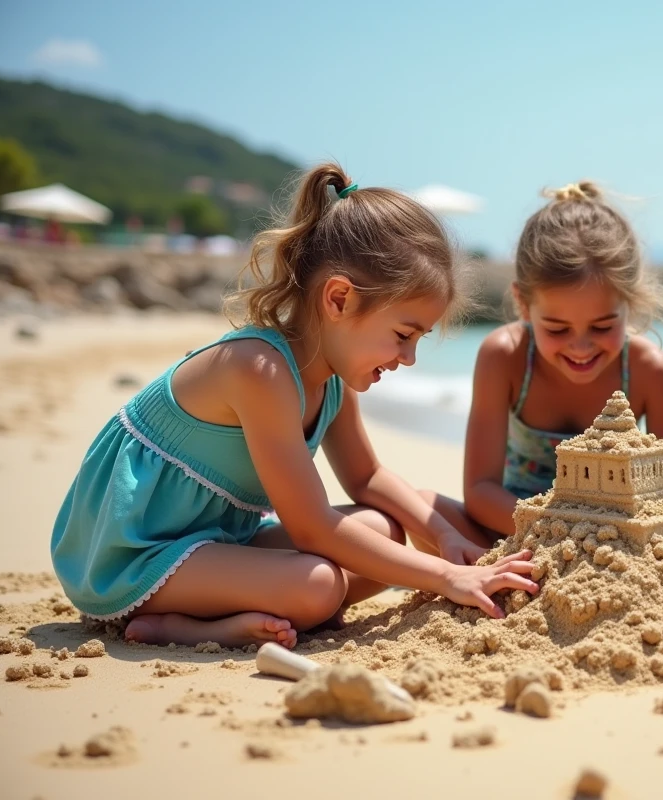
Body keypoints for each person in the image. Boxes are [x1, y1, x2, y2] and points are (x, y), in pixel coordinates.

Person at [50, 162, 536, 649]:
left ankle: (258, 605)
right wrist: (446, 577)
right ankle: (184, 624)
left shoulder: (332, 378)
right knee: (320, 583)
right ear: (340, 298)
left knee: (385, 531)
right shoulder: (257, 369)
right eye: (403, 335)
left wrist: (443, 535)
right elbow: (311, 526)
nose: (408, 358)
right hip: (134, 554)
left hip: (218, 539)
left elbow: (367, 478)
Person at [429, 181, 663, 541]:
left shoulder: (651, 372)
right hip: (518, 530)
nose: (580, 347)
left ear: (629, 303)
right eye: (556, 328)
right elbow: (481, 491)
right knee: (428, 511)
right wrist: (558, 534)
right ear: (523, 304)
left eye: (602, 326)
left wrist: (605, 537)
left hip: (613, 538)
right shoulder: (505, 357)